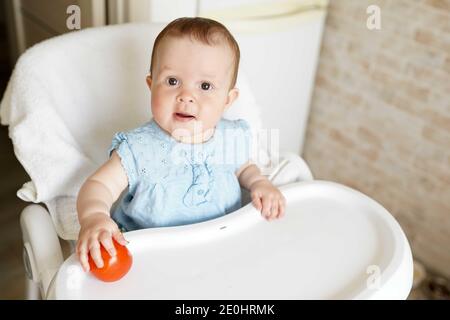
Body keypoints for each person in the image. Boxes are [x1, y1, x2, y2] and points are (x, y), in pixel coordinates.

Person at [76, 17, 286, 272]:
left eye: (205, 86)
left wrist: (259, 183)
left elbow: (242, 167)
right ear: (151, 85)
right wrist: (94, 216)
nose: (186, 96)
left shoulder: (231, 136)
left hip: (221, 247)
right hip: (152, 257)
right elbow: (99, 185)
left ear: (228, 100)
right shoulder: (139, 148)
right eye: (172, 81)